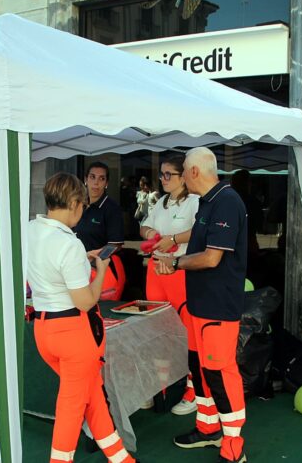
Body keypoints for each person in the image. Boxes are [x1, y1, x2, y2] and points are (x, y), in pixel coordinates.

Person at [27, 172, 136, 463]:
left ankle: (120, 458)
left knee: (91, 395)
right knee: (73, 406)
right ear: (75, 203)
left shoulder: (30, 230)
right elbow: (86, 301)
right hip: (74, 334)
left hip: (43, 330)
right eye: (83, 206)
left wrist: (81, 258)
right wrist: (100, 273)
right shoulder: (68, 243)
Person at [155, 147, 249, 463]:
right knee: (200, 367)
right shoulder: (209, 201)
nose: (180, 178)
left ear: (194, 172)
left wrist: (175, 262)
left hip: (217, 307)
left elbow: (212, 257)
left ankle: (233, 446)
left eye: (182, 172)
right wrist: (173, 259)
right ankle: (208, 428)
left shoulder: (227, 201)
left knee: (221, 373)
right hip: (199, 305)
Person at [139, 155, 200, 415]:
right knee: (156, 331)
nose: (163, 179)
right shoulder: (160, 202)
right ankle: (158, 387)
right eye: (161, 175)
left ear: (182, 177)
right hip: (156, 271)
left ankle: (193, 390)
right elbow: (144, 227)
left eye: (168, 175)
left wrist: (173, 238)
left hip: (179, 272)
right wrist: (151, 234)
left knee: (189, 333)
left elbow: (201, 232)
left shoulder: (195, 201)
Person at [74, 161, 126, 300]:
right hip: (79, 269)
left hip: (104, 270)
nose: (96, 183)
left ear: (106, 183)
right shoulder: (77, 205)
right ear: (85, 179)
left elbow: (116, 244)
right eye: (92, 177)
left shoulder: (111, 209)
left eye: (101, 178)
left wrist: (93, 258)